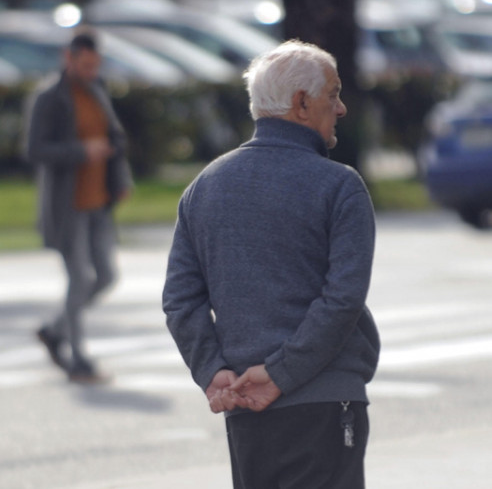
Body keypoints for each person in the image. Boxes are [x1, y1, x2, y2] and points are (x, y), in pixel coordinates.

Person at [162, 39, 380, 489]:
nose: (340, 108)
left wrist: (213, 372)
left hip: (244, 407)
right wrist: (282, 374)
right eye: (333, 94)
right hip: (324, 403)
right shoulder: (340, 186)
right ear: (302, 104)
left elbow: (181, 301)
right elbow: (342, 301)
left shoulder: (204, 186)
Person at [25, 30, 133, 384]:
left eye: (94, 65)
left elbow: (114, 139)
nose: (90, 71)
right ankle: (78, 359)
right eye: (83, 64)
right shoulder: (50, 98)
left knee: (105, 276)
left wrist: (120, 180)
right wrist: (81, 152)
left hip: (97, 203)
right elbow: (36, 150)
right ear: (67, 58)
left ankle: (55, 331)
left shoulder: (97, 92)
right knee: (79, 279)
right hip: (67, 205)